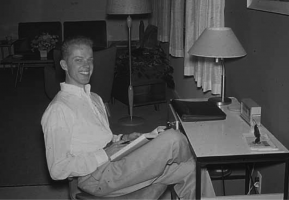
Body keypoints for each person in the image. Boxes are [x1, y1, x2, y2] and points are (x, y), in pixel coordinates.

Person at [41, 36, 215, 199]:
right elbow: (58, 170)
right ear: (64, 65)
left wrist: (124, 139)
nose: (86, 65)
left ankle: (194, 159)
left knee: (196, 169)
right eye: (78, 60)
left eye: (90, 59)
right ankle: (201, 156)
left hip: (115, 159)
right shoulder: (58, 110)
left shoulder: (94, 97)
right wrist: (103, 154)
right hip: (96, 177)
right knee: (172, 138)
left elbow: (99, 138)